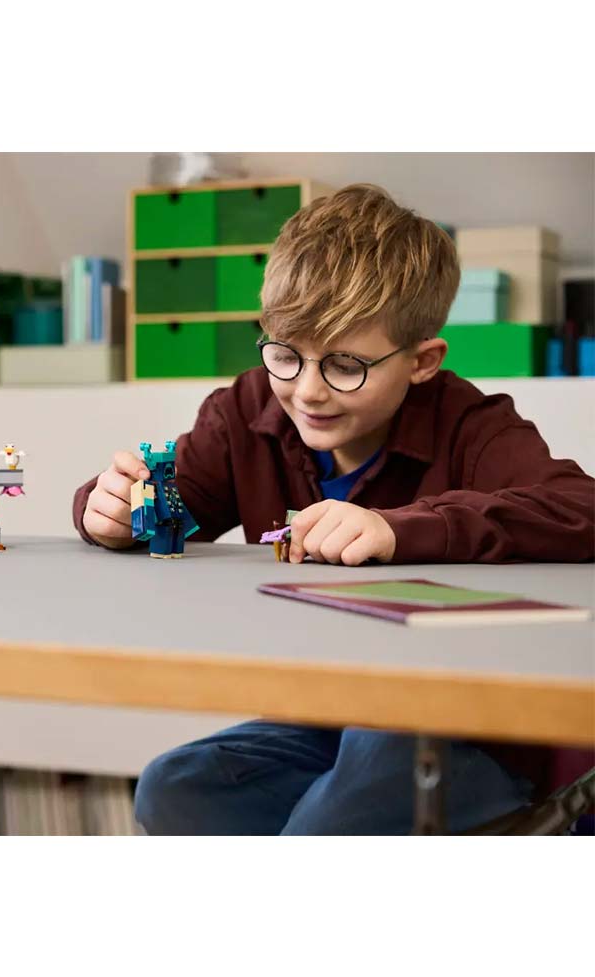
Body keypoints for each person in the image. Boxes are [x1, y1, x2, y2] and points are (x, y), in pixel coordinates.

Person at [71, 184, 595, 834]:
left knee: (323, 829)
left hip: (471, 725)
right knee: (172, 790)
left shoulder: (470, 425)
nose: (309, 391)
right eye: (285, 355)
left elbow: (580, 507)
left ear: (422, 362)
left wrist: (398, 530)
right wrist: (106, 509)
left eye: (346, 365)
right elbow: (172, 502)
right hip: (334, 712)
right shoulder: (247, 411)